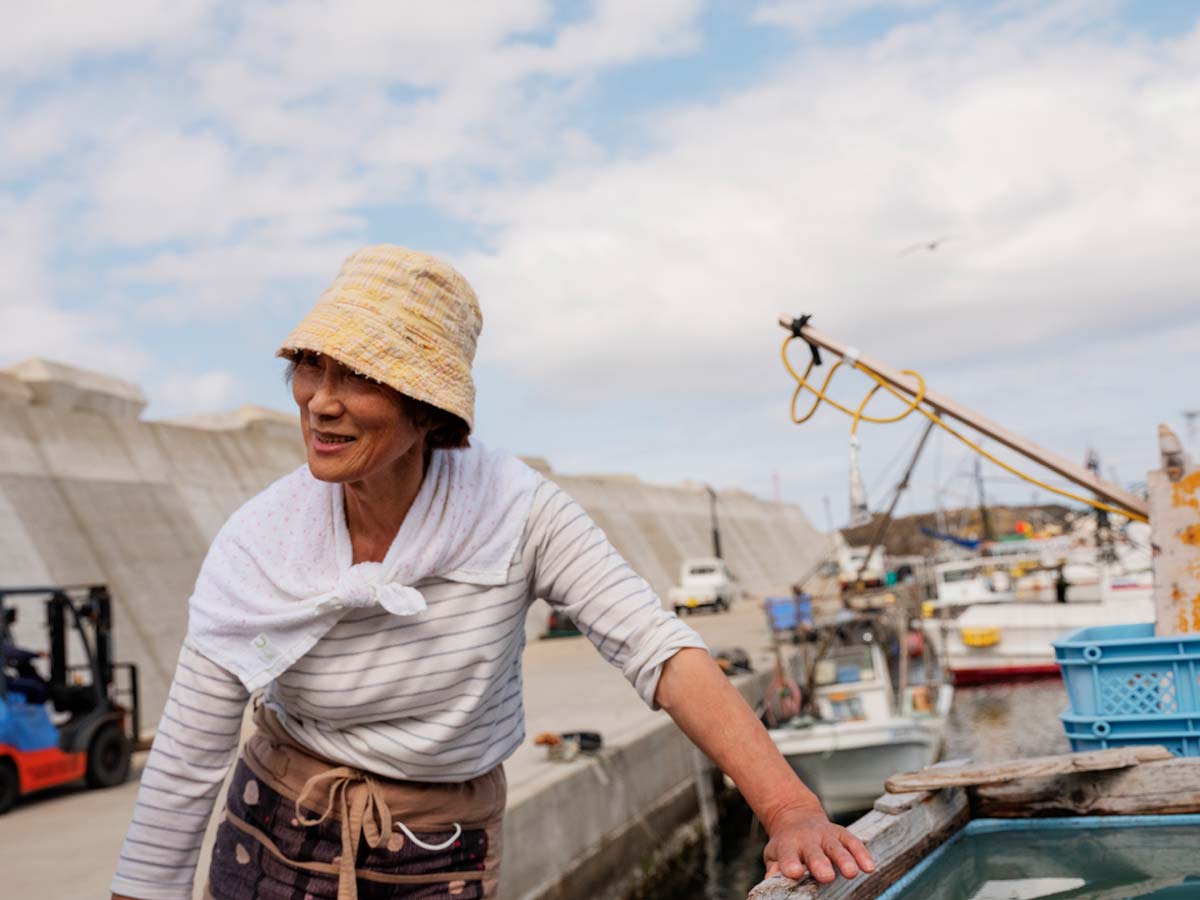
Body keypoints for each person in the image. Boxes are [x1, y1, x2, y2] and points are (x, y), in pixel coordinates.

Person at [111, 246, 873, 900]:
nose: (322, 403)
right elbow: (186, 760)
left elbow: (657, 648)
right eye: (312, 367)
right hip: (274, 829)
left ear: (428, 410)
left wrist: (789, 809)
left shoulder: (516, 509)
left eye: (361, 375)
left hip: (440, 848)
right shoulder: (259, 539)